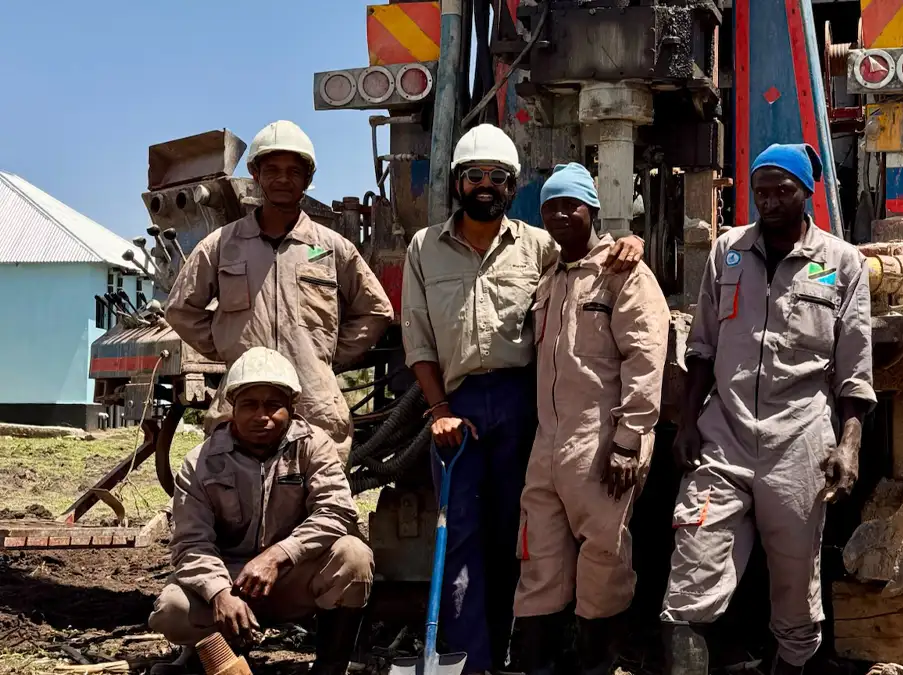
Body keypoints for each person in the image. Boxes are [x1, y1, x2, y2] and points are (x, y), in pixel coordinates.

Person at [400, 124, 646, 674]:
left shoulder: (537, 246)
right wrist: (439, 411)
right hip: (457, 407)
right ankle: (467, 659)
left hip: (523, 404)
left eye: (497, 178)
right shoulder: (424, 249)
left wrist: (629, 240)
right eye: (475, 176)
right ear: (458, 184)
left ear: (513, 188)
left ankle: (520, 650)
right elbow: (416, 338)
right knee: (459, 532)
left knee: (525, 535)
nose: (485, 185)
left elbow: (589, 261)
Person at [661, 144, 875, 675]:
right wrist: (689, 423)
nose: (772, 201)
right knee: (691, 574)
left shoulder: (843, 263)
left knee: (796, 587)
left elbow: (854, 367)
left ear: (808, 193)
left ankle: (792, 663)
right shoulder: (727, 252)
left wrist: (849, 445)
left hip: (799, 442)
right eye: (762, 190)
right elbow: (702, 346)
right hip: (724, 436)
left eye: (785, 191)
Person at [511, 163, 671, 675]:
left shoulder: (624, 275)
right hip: (549, 443)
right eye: (550, 207)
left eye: (570, 205)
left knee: (603, 555)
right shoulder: (550, 278)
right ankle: (537, 663)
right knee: (539, 556)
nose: (559, 215)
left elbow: (645, 358)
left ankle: (595, 663)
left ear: (592, 211)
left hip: (600, 439)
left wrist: (629, 440)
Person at [165, 120, 394, 460]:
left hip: (314, 406)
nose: (283, 179)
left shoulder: (332, 248)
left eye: (293, 171)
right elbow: (181, 309)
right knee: (235, 503)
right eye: (272, 169)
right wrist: (228, 349)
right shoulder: (221, 245)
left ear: (307, 180)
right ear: (256, 175)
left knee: (319, 503)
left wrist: (326, 357)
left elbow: (377, 311)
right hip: (242, 406)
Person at [148, 347, 373, 675]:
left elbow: (336, 511)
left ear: (292, 409)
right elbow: (191, 544)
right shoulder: (200, 463)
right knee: (173, 609)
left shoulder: (315, 446)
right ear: (232, 408)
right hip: (230, 580)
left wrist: (279, 555)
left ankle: (330, 667)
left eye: (273, 405)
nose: (261, 415)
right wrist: (219, 593)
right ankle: (214, 661)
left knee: (354, 556)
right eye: (250, 405)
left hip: (293, 577)